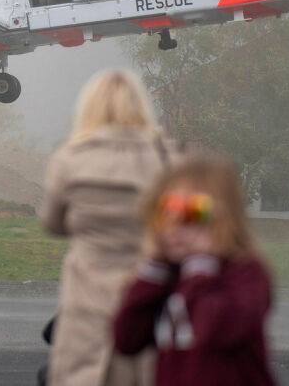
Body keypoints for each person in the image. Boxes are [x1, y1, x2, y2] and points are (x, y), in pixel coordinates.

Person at [40, 69, 171, 386]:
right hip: (149, 298)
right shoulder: (167, 159)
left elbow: (52, 223)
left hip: (87, 299)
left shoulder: (69, 160)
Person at [113, 154, 276, 386]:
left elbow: (215, 329)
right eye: (166, 211)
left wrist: (201, 263)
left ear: (223, 218)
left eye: (192, 212)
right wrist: (153, 269)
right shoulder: (167, 275)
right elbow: (127, 340)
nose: (176, 225)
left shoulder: (245, 272)